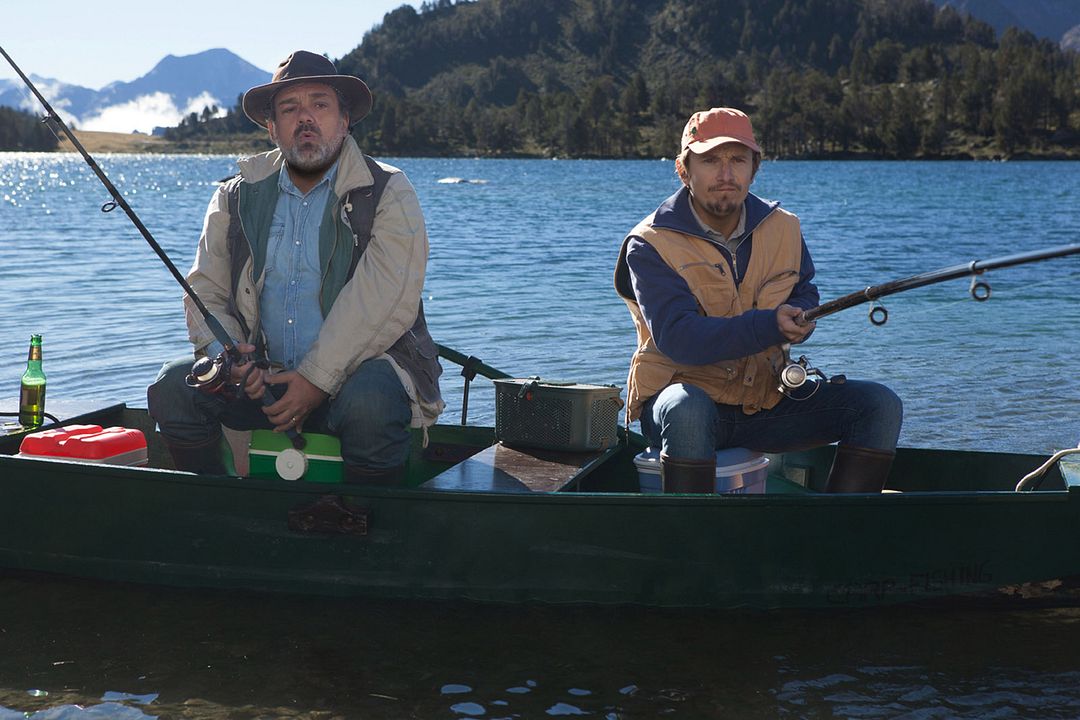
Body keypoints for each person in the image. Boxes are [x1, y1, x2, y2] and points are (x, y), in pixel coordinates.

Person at [148, 50, 443, 484]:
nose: (305, 118)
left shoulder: (389, 192)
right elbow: (204, 291)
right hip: (260, 383)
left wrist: (314, 380)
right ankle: (215, 506)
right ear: (272, 127)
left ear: (344, 121)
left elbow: (384, 301)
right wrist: (228, 358)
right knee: (174, 386)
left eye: (320, 105)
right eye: (290, 108)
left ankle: (364, 523)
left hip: (355, 377)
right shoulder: (233, 196)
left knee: (371, 404)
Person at [614, 107, 902, 493]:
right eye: (711, 160)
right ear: (684, 170)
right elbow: (678, 338)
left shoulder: (785, 227)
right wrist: (769, 325)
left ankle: (837, 536)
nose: (726, 174)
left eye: (737, 160)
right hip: (681, 408)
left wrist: (800, 319)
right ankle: (688, 542)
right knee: (688, 408)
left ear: (755, 167)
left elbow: (803, 290)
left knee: (879, 405)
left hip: (766, 402)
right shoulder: (650, 243)